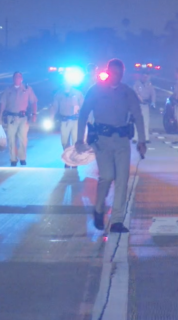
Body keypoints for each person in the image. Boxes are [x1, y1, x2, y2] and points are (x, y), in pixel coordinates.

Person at [76, 59, 147, 233]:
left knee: (122, 180)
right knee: (107, 176)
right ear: (108, 72)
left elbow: (138, 116)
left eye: (120, 73)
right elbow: (84, 114)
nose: (117, 76)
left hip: (122, 141)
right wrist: (79, 139)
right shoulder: (96, 90)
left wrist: (142, 140)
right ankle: (99, 209)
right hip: (102, 140)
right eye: (114, 72)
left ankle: (116, 220)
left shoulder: (127, 92)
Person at [0, 72, 38, 167]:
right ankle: (13, 159)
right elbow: (2, 104)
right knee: (11, 139)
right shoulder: (8, 90)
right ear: (13, 78)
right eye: (16, 77)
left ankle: (22, 158)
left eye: (19, 77)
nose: (17, 78)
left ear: (22, 79)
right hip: (11, 118)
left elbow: (34, 102)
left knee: (23, 139)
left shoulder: (27, 89)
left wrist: (34, 114)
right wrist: (0, 118)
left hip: (23, 118)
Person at [49, 81, 84, 168]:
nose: (67, 84)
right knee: (64, 141)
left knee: (75, 141)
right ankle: (67, 159)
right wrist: (51, 117)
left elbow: (83, 106)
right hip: (64, 120)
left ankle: (74, 160)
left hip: (75, 120)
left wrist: (86, 120)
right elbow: (54, 107)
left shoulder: (78, 93)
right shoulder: (58, 94)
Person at [133, 71, 156, 143]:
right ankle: (135, 138)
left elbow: (153, 93)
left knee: (146, 121)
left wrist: (153, 102)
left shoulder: (149, 84)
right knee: (136, 121)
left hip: (145, 104)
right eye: (144, 77)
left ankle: (146, 138)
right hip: (138, 104)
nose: (145, 78)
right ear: (141, 76)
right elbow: (134, 92)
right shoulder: (137, 84)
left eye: (146, 77)